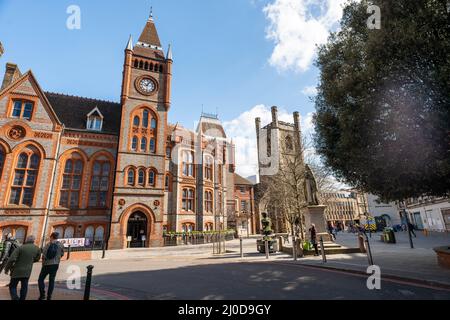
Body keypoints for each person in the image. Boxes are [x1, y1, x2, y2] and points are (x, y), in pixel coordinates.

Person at [4, 235, 41, 300]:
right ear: (34, 240)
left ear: (26, 240)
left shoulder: (21, 248)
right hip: (27, 271)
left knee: (12, 286)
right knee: (24, 287)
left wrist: (6, 269)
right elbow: (37, 259)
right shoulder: (37, 248)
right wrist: (30, 261)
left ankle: (15, 298)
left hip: (16, 271)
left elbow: (11, 259)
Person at [38, 232, 65, 300]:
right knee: (51, 280)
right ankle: (49, 296)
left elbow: (44, 254)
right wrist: (57, 258)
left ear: (52, 237)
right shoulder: (61, 245)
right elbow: (62, 254)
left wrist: (44, 262)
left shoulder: (48, 244)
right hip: (55, 264)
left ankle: (42, 295)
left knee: (40, 279)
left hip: (46, 264)